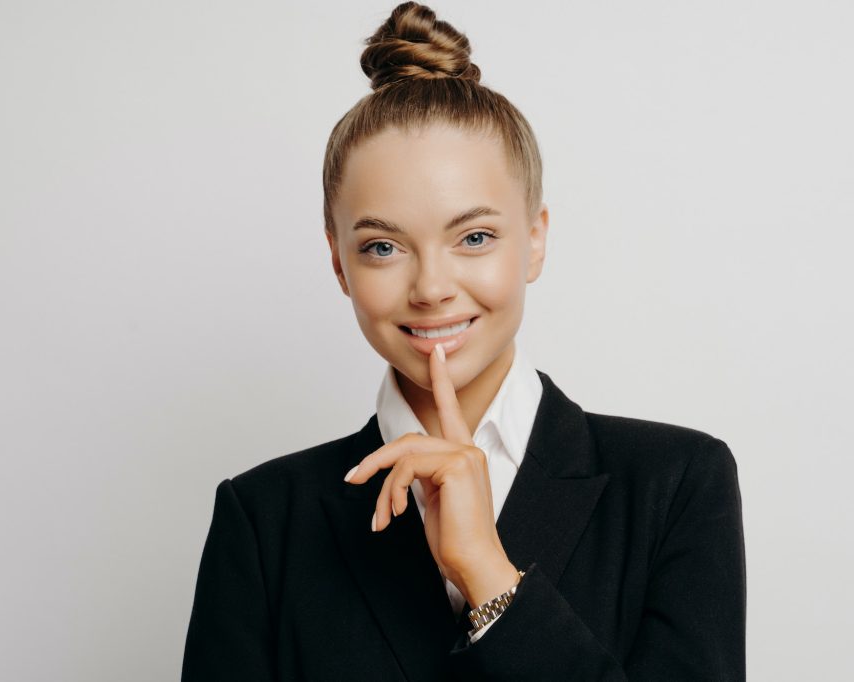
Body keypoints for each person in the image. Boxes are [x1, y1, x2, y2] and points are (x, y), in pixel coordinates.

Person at [181, 2, 746, 680]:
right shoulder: (266, 518)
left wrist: (490, 578)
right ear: (339, 265)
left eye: (474, 237)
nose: (431, 287)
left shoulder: (673, 483)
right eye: (383, 246)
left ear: (534, 240)